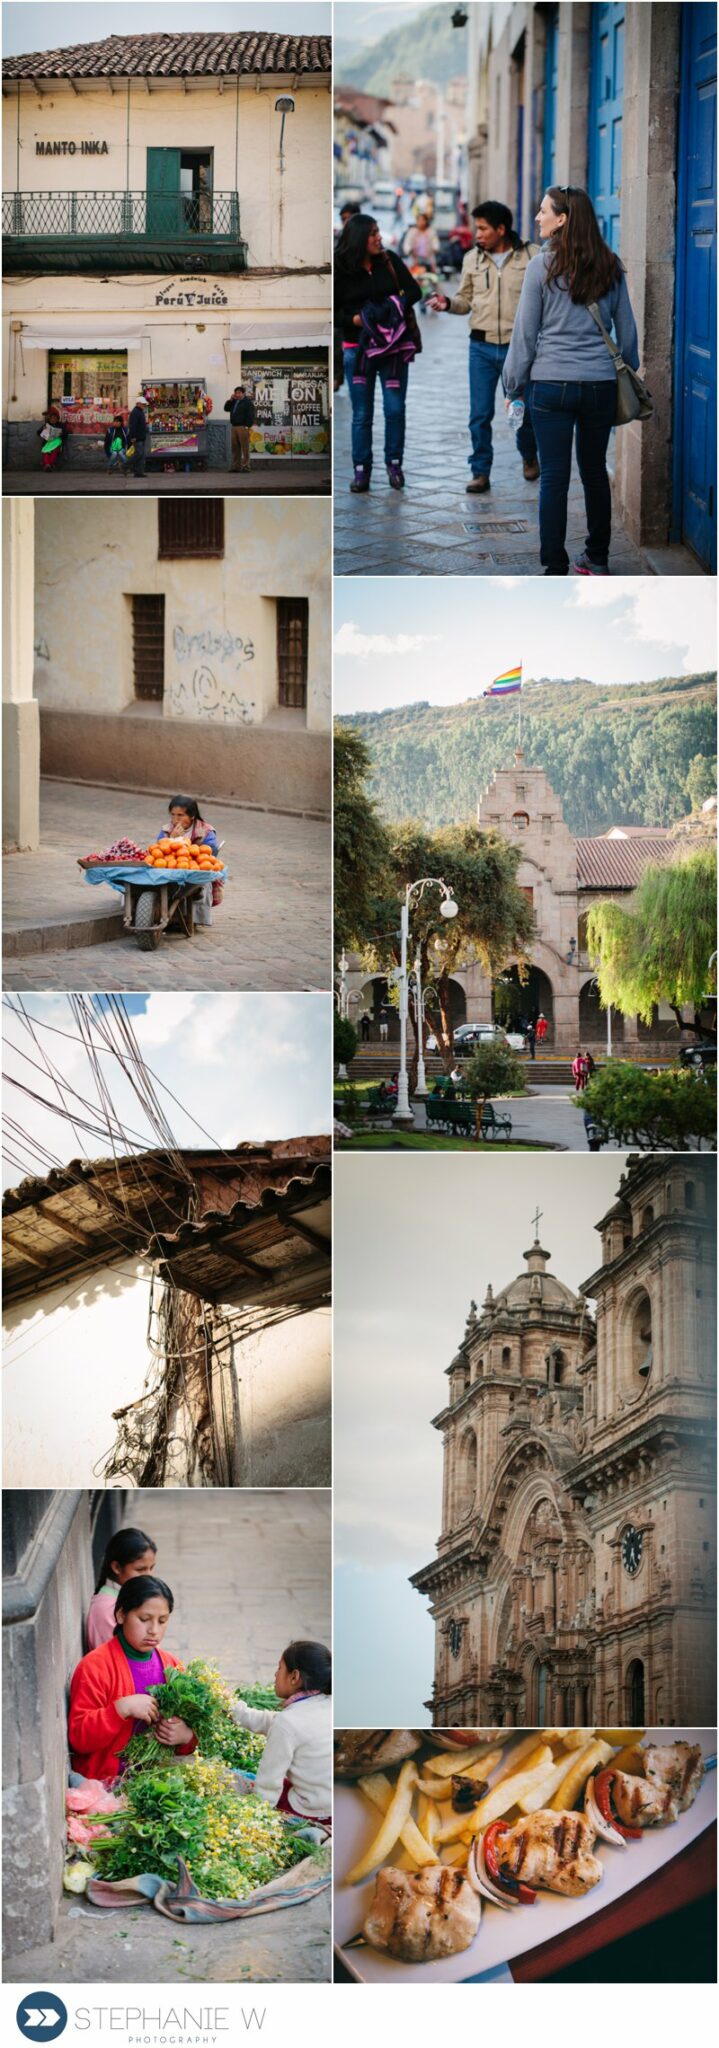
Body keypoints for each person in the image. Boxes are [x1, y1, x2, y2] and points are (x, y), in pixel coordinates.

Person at [503, 185, 640, 574]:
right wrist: (623, 368)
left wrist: (512, 385)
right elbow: (628, 340)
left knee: (554, 477)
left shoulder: (540, 268)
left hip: (550, 387)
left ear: (562, 219)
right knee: (595, 471)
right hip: (599, 385)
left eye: (544, 211)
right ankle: (597, 559)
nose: (537, 217)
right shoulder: (611, 266)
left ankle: (554, 566)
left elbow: (525, 336)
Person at [429, 200, 539, 492]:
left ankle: (529, 455)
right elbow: (465, 300)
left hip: (519, 351)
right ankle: (480, 471)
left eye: (483, 229)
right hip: (480, 348)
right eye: (476, 228)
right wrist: (448, 303)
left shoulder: (532, 257)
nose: (477, 234)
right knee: (480, 415)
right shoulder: (471, 260)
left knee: (521, 412)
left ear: (501, 229)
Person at [68, 1575, 197, 1785]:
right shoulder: (94, 1666)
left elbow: (192, 1736)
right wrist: (120, 1709)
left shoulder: (172, 1667)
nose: (154, 1630)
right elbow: (79, 1739)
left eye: (162, 1621)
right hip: (106, 1783)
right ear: (120, 1615)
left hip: (156, 1779)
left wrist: (186, 1737)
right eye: (144, 1619)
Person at [334, 212, 422, 492]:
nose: (379, 238)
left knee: (395, 410)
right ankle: (362, 470)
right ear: (359, 238)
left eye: (378, 232)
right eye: (372, 233)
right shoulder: (341, 268)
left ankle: (394, 463)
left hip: (393, 349)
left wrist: (394, 305)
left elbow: (414, 291)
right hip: (356, 351)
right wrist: (356, 321)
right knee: (362, 414)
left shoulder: (389, 260)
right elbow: (333, 313)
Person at [231, 1640, 331, 1825]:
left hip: (310, 1810)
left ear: (294, 1676)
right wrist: (232, 1708)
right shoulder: (326, 1704)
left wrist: (255, 1822)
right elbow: (271, 1721)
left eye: (279, 1668)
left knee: (233, 1782)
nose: (275, 1674)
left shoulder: (288, 1723)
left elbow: (268, 1786)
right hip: (330, 1803)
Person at [86, 1527, 157, 1650]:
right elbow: (116, 1658)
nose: (148, 1576)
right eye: (140, 1569)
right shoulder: (107, 1609)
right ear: (117, 1567)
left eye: (151, 1568)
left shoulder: (129, 1596)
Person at [158, 795, 221, 927]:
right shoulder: (166, 830)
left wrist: (185, 846)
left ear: (192, 816)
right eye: (173, 815)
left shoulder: (206, 831)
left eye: (180, 815)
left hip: (195, 869)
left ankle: (195, 919)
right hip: (171, 869)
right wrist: (172, 839)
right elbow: (158, 851)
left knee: (202, 884)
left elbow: (211, 851)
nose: (175, 820)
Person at [224, 385, 256, 473]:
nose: (237, 394)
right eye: (236, 393)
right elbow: (226, 409)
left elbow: (251, 415)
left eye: (239, 393)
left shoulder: (247, 402)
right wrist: (230, 400)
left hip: (243, 427)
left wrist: (247, 426)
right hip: (234, 426)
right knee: (235, 448)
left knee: (244, 447)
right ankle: (236, 466)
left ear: (243, 393)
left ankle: (246, 466)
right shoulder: (234, 401)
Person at [126, 393, 150, 478]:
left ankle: (139, 472)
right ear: (138, 403)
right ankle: (125, 464)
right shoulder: (135, 412)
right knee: (139, 454)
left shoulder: (139, 412)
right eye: (143, 404)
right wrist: (132, 437)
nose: (144, 405)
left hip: (141, 437)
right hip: (137, 438)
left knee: (141, 456)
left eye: (144, 404)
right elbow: (132, 425)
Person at [38, 406, 64, 471]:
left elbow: (66, 435)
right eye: (52, 418)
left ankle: (48, 465)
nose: (53, 419)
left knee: (55, 450)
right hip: (48, 442)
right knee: (48, 451)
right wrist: (42, 430)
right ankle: (48, 465)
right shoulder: (46, 425)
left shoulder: (60, 425)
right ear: (49, 419)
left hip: (56, 442)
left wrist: (61, 434)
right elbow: (38, 433)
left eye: (55, 418)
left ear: (57, 419)